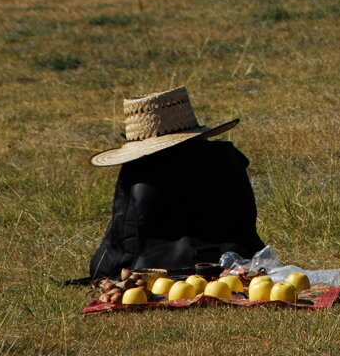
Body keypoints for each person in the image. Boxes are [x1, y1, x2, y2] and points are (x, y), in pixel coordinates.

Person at [88, 86, 264, 278]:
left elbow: (115, 253)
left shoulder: (141, 171)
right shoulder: (223, 157)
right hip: (241, 257)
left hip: (151, 266)